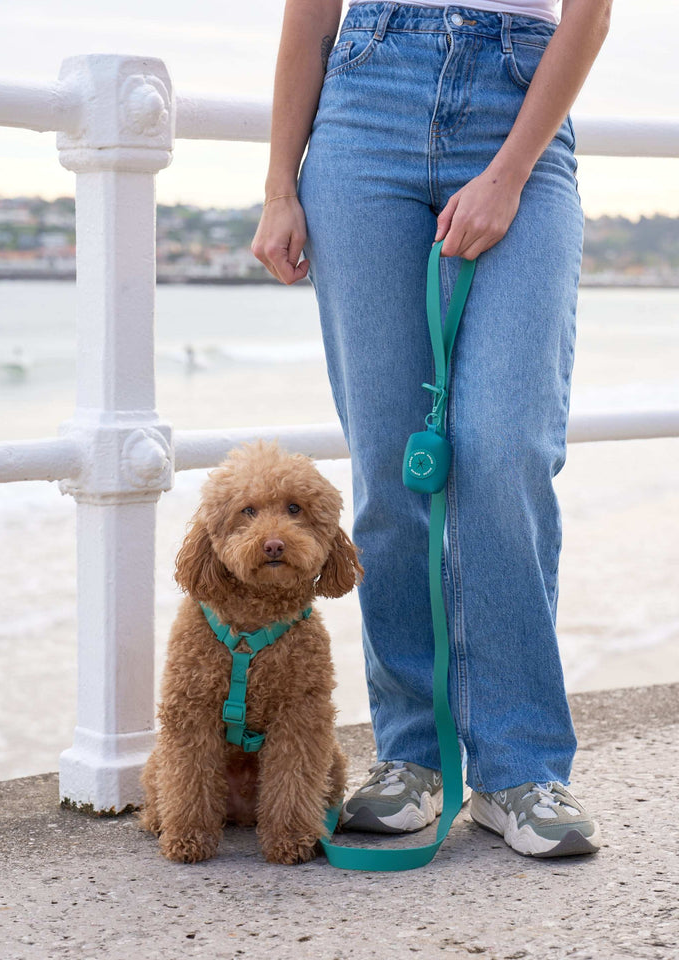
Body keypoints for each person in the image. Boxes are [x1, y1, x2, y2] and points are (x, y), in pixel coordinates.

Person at [252, 0, 612, 858]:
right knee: (390, 461)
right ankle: (412, 756)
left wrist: (511, 173)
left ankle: (518, 767)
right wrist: (278, 187)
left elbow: (590, 15)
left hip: (517, 98)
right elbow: (312, 13)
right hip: (366, 103)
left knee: (502, 447)